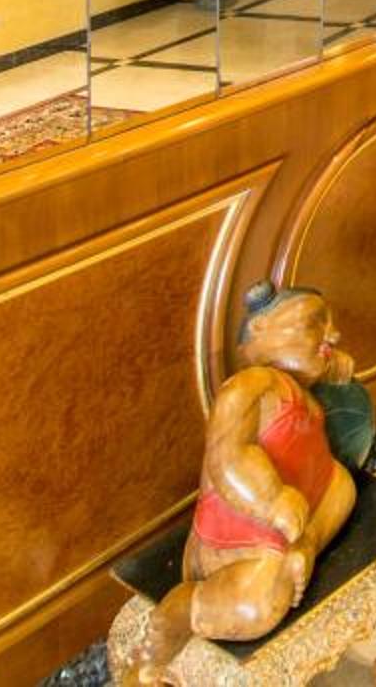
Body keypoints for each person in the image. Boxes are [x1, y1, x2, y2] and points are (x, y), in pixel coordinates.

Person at [127, 283, 359, 683]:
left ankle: (304, 547)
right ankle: (176, 619)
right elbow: (229, 455)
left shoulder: (302, 395)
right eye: (315, 323)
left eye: (331, 327)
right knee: (257, 608)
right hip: (238, 535)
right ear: (260, 327)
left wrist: (332, 365)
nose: (332, 334)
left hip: (290, 527)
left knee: (343, 485)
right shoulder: (252, 384)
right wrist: (272, 499)